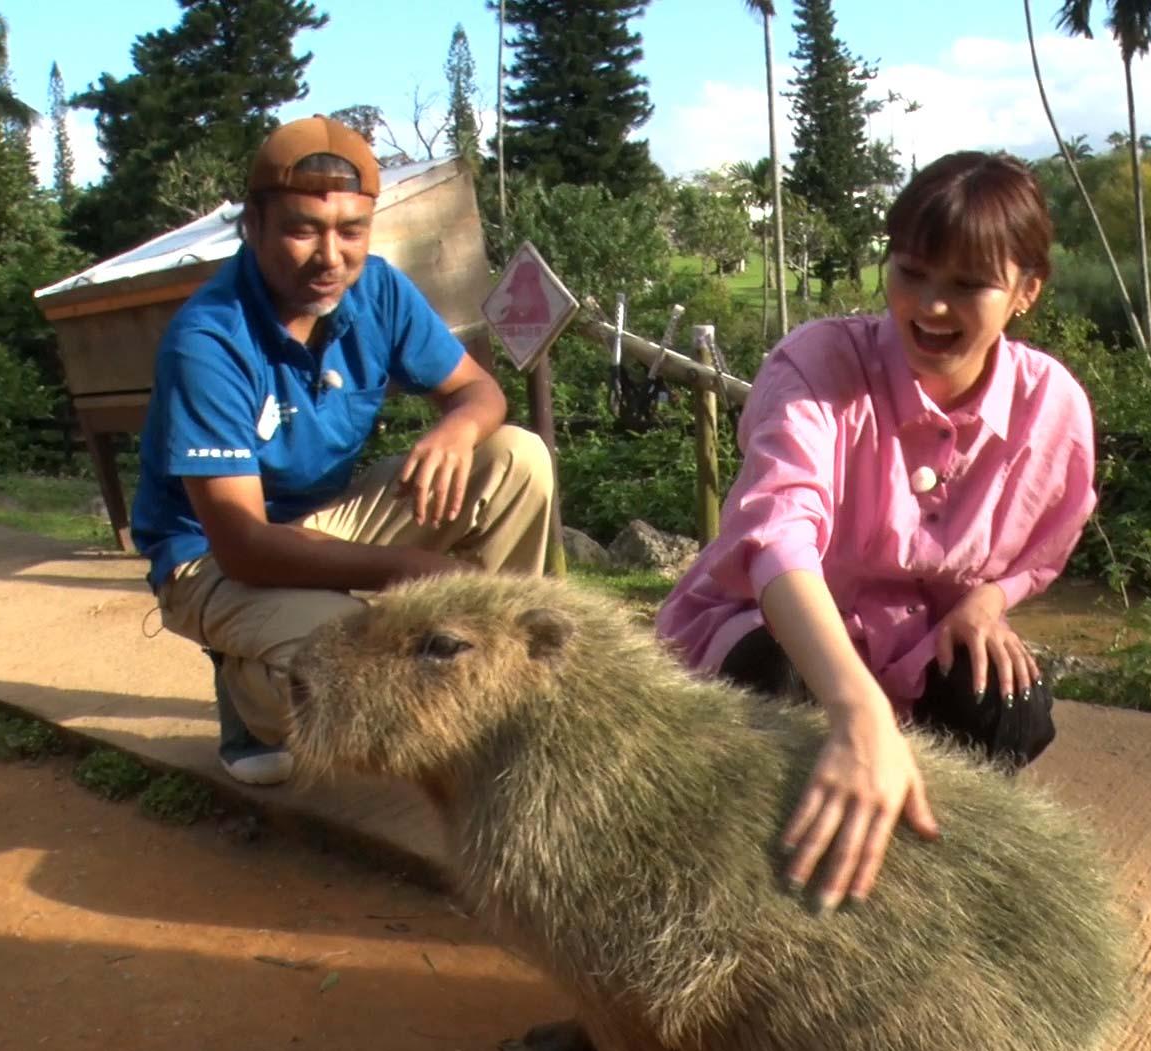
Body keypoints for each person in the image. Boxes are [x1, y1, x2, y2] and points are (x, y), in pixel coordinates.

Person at [653, 151, 1098, 912]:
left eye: (967, 285)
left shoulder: (1050, 405)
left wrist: (986, 602)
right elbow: (778, 537)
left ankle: (918, 872)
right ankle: (735, 892)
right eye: (911, 272)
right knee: (778, 683)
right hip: (775, 624)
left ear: (1026, 291)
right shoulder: (819, 365)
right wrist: (858, 712)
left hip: (917, 642)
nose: (929, 307)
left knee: (1006, 703)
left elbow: (1045, 542)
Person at [129, 116, 554, 786]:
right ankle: (246, 689)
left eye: (351, 231)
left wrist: (457, 428)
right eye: (303, 229)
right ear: (254, 228)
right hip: (212, 557)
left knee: (515, 456)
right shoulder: (208, 341)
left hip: (325, 521)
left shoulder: (378, 290)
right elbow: (241, 544)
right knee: (359, 666)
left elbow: (480, 392)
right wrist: (412, 574)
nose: (331, 255)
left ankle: (501, 682)